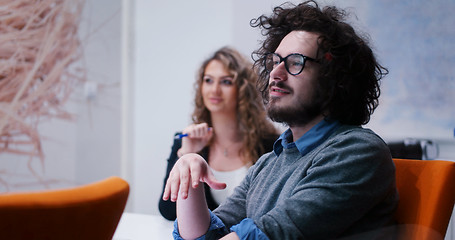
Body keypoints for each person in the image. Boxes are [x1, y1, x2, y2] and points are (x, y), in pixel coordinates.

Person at [163, 1, 399, 239]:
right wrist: (190, 174)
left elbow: (269, 234)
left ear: (335, 78)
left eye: (296, 62)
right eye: (275, 61)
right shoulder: (269, 163)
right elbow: (210, 233)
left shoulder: (357, 151)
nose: (275, 73)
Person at [159, 46, 279, 221]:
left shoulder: (271, 144)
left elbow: (271, 212)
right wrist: (188, 154)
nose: (214, 90)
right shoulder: (185, 141)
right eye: (208, 80)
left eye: (226, 82)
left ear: (243, 89)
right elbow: (168, 212)